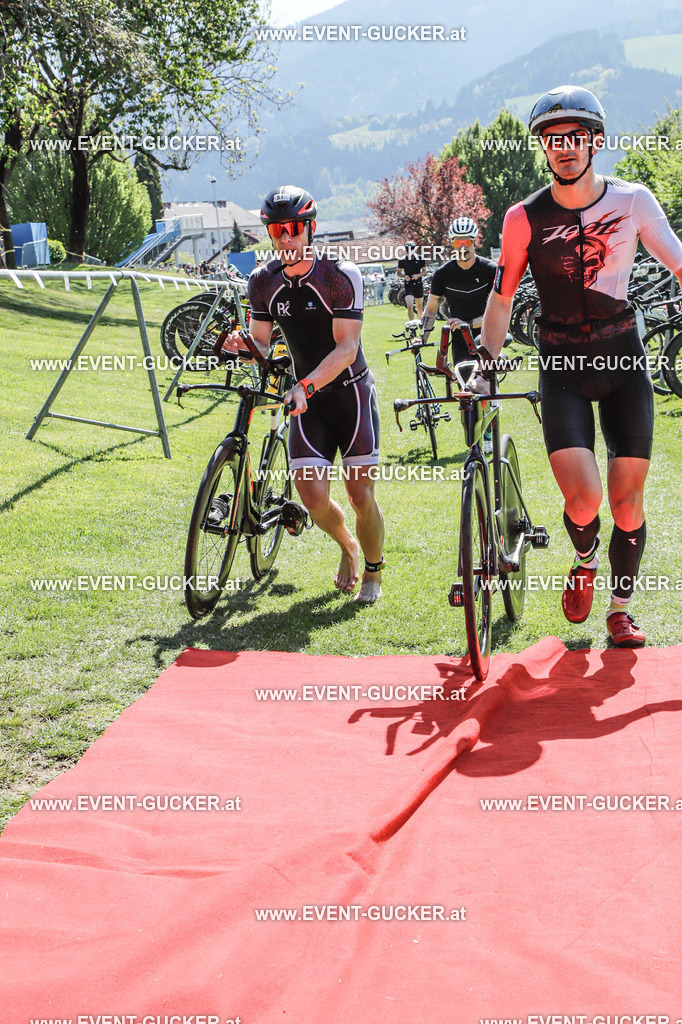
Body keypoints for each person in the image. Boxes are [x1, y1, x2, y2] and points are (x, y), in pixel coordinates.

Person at [478, 85, 682, 647]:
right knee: (584, 500)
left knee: (627, 503)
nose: (565, 148)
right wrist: (485, 362)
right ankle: (585, 557)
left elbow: (680, 263)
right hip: (562, 365)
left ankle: (620, 609)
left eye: (575, 137)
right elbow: (501, 299)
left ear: (595, 141)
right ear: (543, 147)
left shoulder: (634, 200)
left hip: (623, 362)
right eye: (553, 139)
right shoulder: (524, 218)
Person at [220, 184, 385, 603]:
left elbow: (347, 349)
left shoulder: (339, 274)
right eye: (277, 230)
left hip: (350, 396)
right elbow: (260, 342)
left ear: (310, 229)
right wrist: (242, 346)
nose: (285, 238)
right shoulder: (262, 281)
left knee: (360, 494)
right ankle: (349, 545)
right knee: (312, 497)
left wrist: (305, 384)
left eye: (294, 228)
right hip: (307, 402)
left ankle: (373, 572)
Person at [420, 216, 497, 451]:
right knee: (465, 389)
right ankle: (473, 438)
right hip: (459, 342)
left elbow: (498, 311)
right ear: (451, 244)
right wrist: (422, 337)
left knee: (484, 386)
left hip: (486, 337)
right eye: (457, 243)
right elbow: (431, 309)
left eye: (467, 242)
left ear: (475, 242)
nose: (463, 248)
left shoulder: (489, 270)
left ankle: (488, 433)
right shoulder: (443, 274)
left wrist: (469, 322)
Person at [397, 241, 426, 318]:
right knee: (409, 306)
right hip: (408, 285)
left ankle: (420, 324)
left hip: (418, 284)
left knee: (419, 307)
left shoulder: (420, 258)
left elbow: (424, 271)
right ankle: (412, 324)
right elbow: (398, 273)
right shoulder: (402, 260)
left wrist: (418, 275)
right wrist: (404, 276)